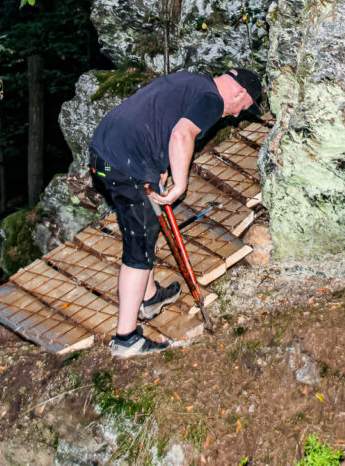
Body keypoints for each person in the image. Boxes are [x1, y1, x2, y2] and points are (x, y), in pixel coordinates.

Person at [89, 69, 262, 357]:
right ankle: (125, 339)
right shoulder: (212, 99)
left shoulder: (194, 81)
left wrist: (160, 163)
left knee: (149, 223)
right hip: (122, 163)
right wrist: (179, 184)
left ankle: (150, 298)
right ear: (240, 92)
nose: (235, 115)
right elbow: (182, 135)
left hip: (105, 156)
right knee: (139, 244)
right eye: (242, 108)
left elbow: (162, 121)